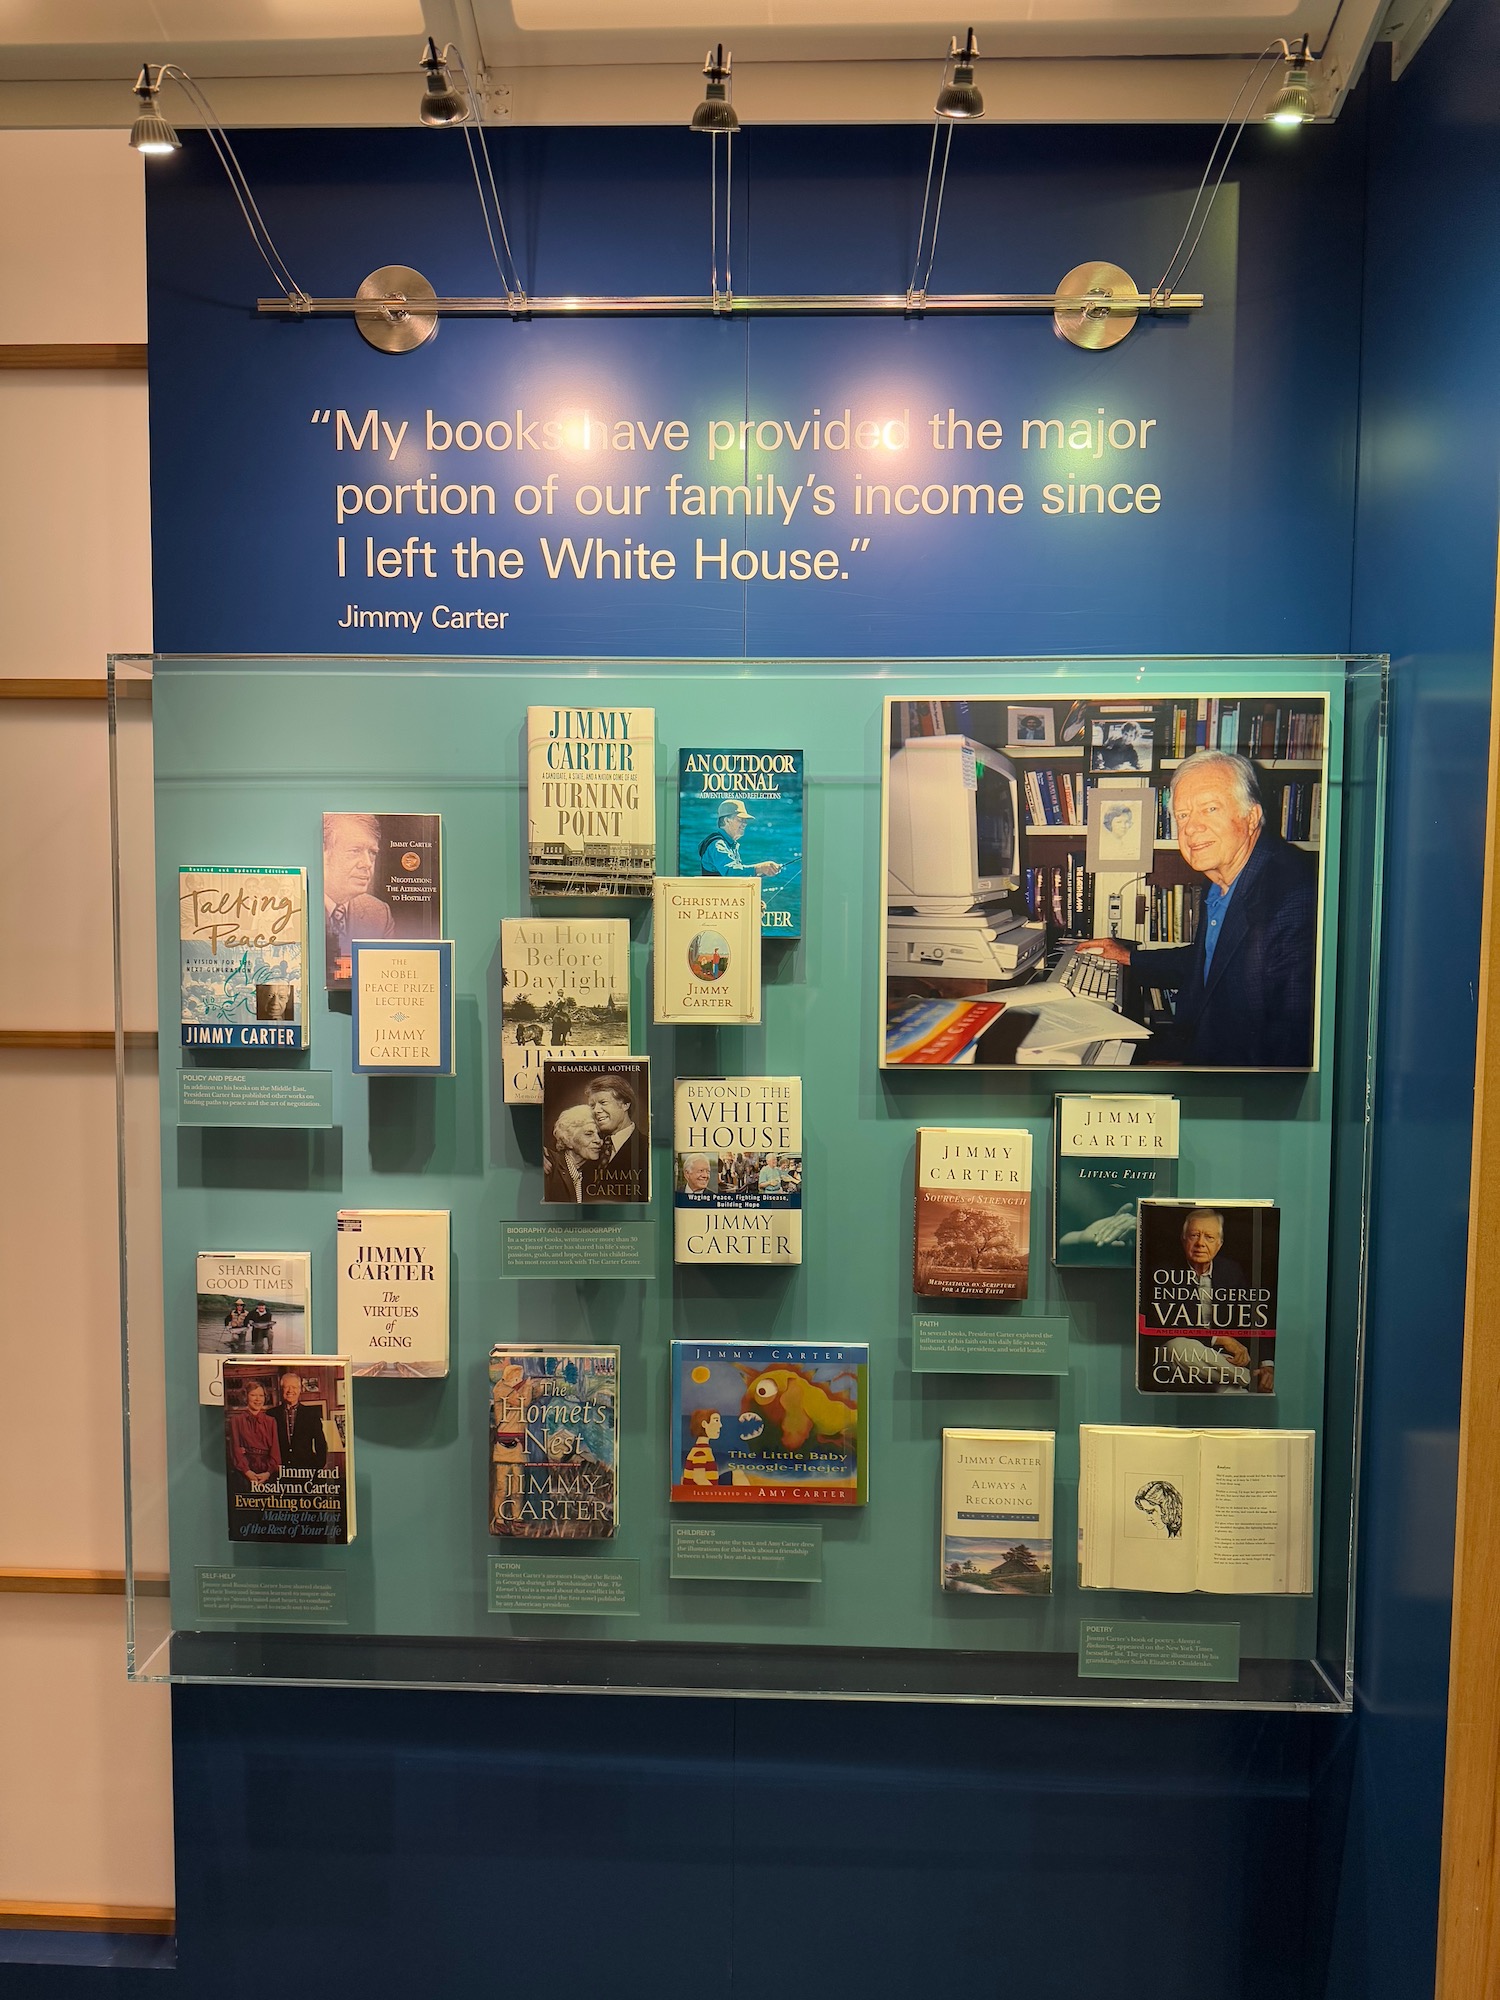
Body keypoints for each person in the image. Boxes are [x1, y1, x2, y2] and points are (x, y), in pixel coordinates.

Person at [1078, 748, 1317, 1067]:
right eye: (1182, 815)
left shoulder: (1297, 895)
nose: (1190, 828)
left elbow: (1293, 1049)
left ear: (1251, 817)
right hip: (1199, 1056)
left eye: (1210, 808)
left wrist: (1194, 1080)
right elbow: (1210, 959)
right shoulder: (1220, 878)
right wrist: (1128, 956)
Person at [323, 812, 394, 982]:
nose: (367, 864)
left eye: (372, 853)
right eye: (355, 851)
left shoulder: (379, 913)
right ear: (324, 853)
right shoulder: (301, 905)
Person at [697, 799, 782, 881]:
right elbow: (730, 872)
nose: (745, 823)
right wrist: (759, 868)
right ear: (727, 820)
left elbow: (736, 873)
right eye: (740, 819)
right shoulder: (717, 845)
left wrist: (763, 872)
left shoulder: (730, 844)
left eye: (745, 820)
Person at [586, 1073, 644, 1190]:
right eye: (592, 1106)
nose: (596, 1110)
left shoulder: (646, 1148)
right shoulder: (588, 1146)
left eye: (603, 1102)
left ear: (625, 1105)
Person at [227, 1378, 280, 1495]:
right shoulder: (236, 1421)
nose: (258, 1399)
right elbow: (235, 1449)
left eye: (261, 1395)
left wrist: (268, 1473)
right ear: (246, 1397)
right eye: (253, 1395)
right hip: (244, 1474)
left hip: (267, 1475)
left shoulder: (271, 1421)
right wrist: (247, 1472)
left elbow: (275, 1451)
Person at [544, 1103, 603, 1203]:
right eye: (589, 1134)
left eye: (599, 1134)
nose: (598, 1140)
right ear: (568, 1139)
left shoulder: (593, 1174)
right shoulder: (549, 1164)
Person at [276, 1368, 327, 1471]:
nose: (290, 1390)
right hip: (279, 1472)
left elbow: (321, 1444)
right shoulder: (272, 1414)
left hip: (305, 1472)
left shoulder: (311, 1414)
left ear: (300, 1390)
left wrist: (317, 1467)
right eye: (286, 1387)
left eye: (294, 1387)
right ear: (281, 1389)